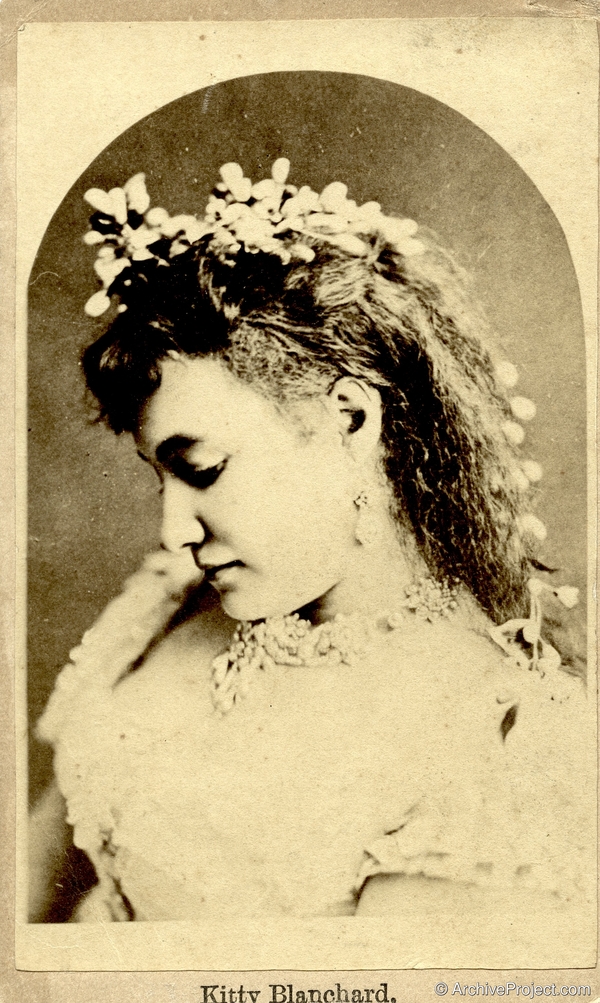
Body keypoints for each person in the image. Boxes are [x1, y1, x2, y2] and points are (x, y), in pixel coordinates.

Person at [29, 159, 593, 960]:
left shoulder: (494, 729)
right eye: (161, 477)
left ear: (352, 419)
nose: (173, 531)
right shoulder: (174, 596)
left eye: (203, 470)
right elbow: (34, 866)